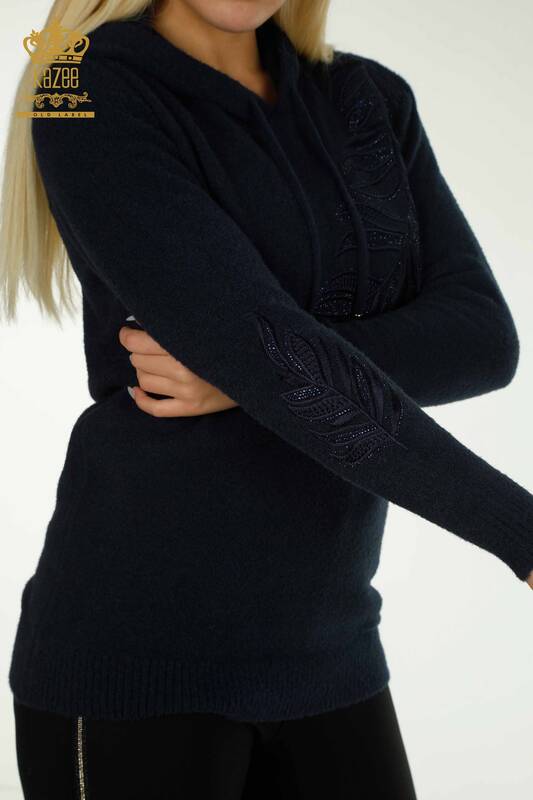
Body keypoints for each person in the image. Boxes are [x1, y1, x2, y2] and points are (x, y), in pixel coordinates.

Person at [1, 0, 531, 797]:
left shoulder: (365, 99)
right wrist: (518, 533)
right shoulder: (86, 88)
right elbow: (262, 346)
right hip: (140, 657)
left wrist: (246, 368)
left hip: (329, 648)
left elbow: (482, 340)